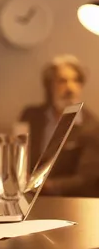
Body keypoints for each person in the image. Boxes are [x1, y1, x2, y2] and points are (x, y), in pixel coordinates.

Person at [19, 54, 99, 196]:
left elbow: (86, 178)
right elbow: (17, 156)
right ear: (50, 86)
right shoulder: (31, 116)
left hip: (69, 202)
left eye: (76, 81)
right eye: (62, 81)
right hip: (27, 198)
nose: (70, 87)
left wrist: (44, 186)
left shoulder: (92, 126)